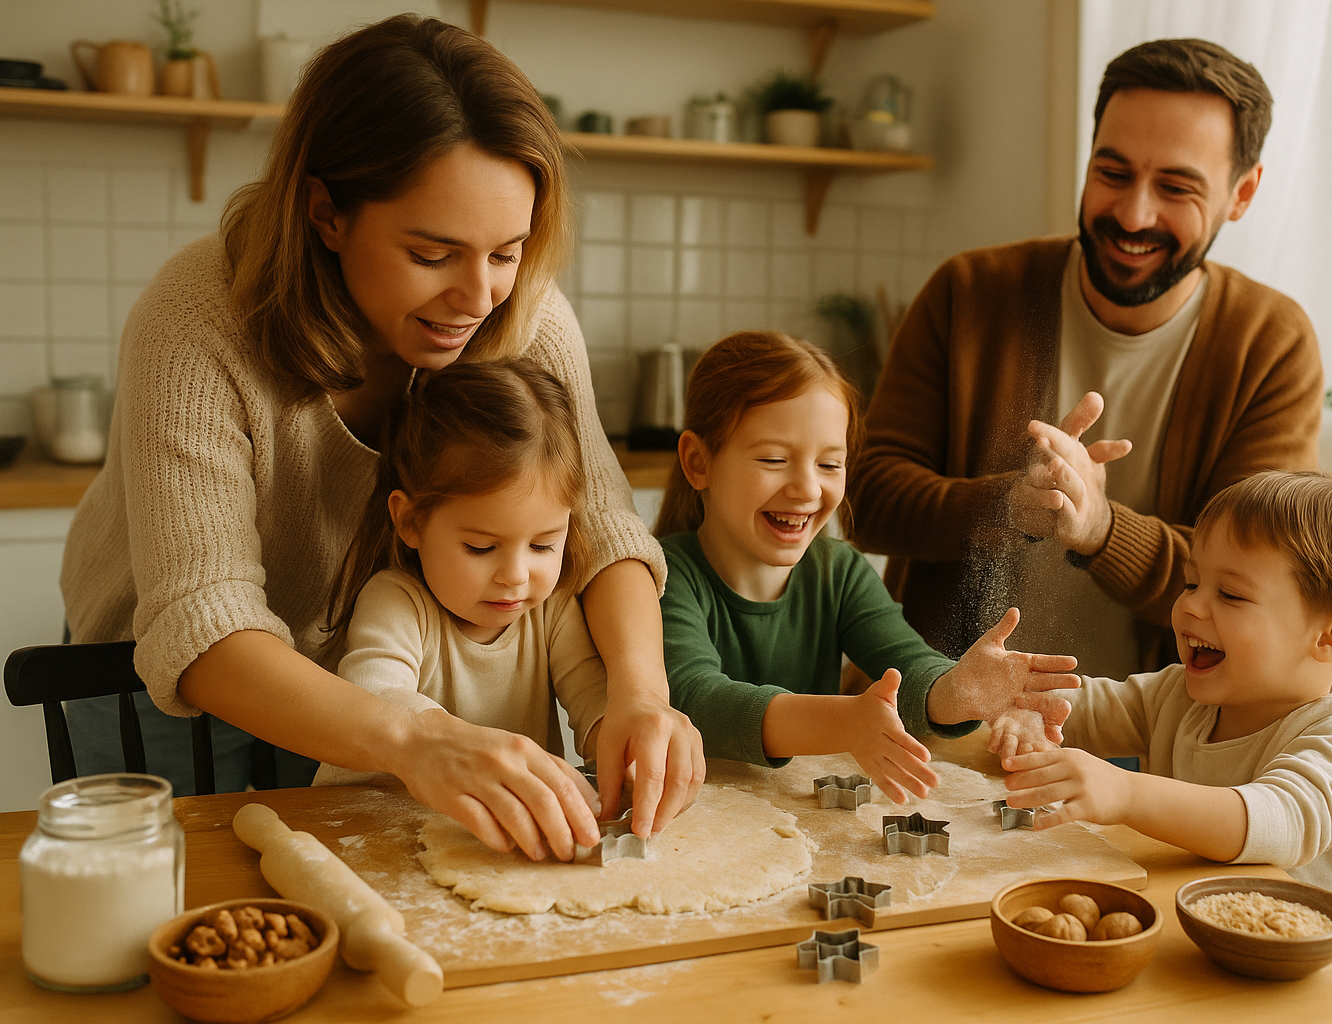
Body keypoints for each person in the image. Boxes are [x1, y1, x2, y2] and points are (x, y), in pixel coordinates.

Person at [58, 15, 702, 850]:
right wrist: (416, 738)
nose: (479, 298)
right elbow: (203, 620)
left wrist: (641, 695)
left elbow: (603, 530)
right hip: (160, 673)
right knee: (170, 897)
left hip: (359, 667)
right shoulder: (199, 317)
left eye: (506, 252)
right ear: (327, 212)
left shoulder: (525, 316)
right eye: (433, 255)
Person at [848, 38, 1325, 680]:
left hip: (1158, 730)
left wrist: (1102, 530)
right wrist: (1005, 506)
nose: (1133, 213)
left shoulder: (1271, 343)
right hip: (940, 711)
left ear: (1242, 194)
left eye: (1176, 187)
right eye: (1113, 173)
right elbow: (866, 497)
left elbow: (1261, 583)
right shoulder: (969, 291)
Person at [654, 331, 1080, 802]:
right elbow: (696, 699)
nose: (807, 488)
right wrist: (846, 721)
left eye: (829, 465)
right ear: (698, 462)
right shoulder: (661, 575)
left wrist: (959, 691)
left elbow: (907, 665)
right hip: (689, 814)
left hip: (798, 813)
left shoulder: (839, 572)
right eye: (774, 459)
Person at [997, 472, 1332, 917]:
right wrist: (1025, 708)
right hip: (1193, 926)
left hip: (1322, 956)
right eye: (1192, 583)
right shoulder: (1180, 697)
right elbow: (1083, 710)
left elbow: (1280, 822)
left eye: (1231, 594)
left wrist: (1126, 792)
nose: (1190, 606)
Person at [311, 361, 609, 860]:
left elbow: (595, 702)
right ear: (410, 521)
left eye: (543, 545)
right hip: (368, 836)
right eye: (480, 547)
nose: (516, 575)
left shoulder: (552, 609)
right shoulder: (397, 601)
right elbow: (374, 695)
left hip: (488, 847)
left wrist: (622, 747)